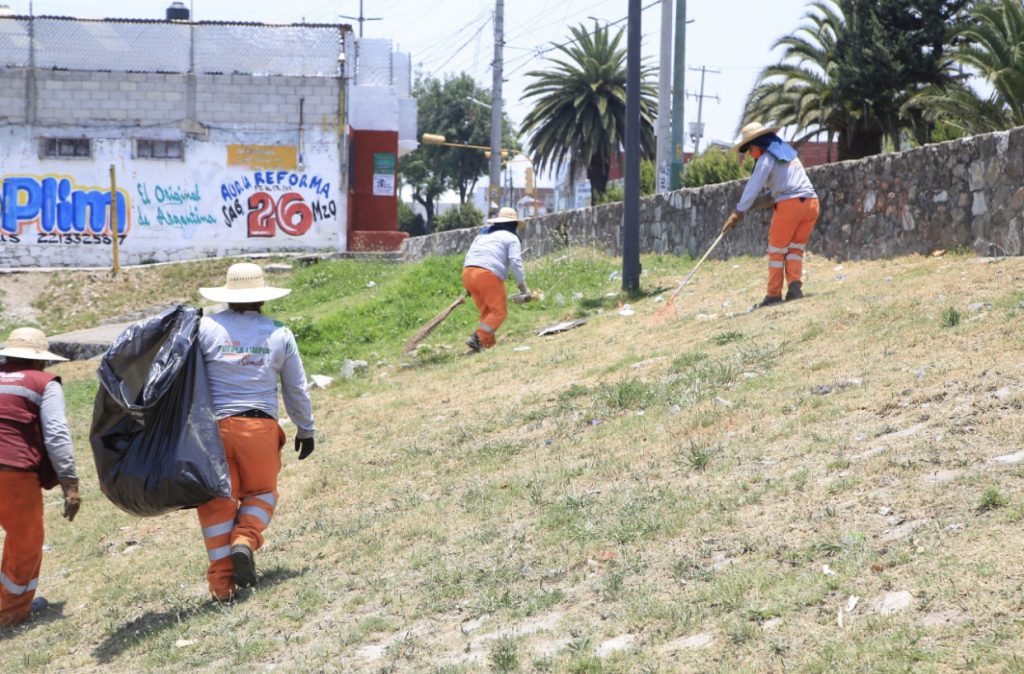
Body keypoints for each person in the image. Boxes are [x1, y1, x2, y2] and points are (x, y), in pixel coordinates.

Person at [195, 263, 315, 601]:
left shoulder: (205, 328)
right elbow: (296, 387)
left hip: (212, 431)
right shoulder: (279, 333)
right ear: (262, 298)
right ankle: (245, 539)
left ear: (228, 295)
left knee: (217, 504)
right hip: (259, 427)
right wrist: (305, 428)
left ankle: (221, 588)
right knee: (262, 492)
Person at [0, 328, 80, 628]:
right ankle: (10, 612)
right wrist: (70, 484)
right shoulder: (43, 383)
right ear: (39, 362)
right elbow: (57, 435)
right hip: (12, 475)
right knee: (25, 542)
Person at [724, 121, 820, 309]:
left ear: (758, 145)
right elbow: (779, 190)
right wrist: (751, 206)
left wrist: (738, 211)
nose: (751, 155)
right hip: (811, 204)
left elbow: (753, 187)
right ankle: (794, 287)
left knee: (777, 251)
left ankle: (773, 294)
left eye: (750, 150)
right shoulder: (788, 155)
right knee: (795, 249)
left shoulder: (766, 159)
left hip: (789, 206)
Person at [462, 207, 531, 352]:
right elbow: (515, 262)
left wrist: (469, 285)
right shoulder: (511, 238)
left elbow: (469, 254)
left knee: (487, 313)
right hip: (487, 275)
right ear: (513, 224)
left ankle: (485, 345)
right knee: (499, 312)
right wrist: (524, 288)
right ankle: (477, 337)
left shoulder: (482, 235)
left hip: (468, 272)